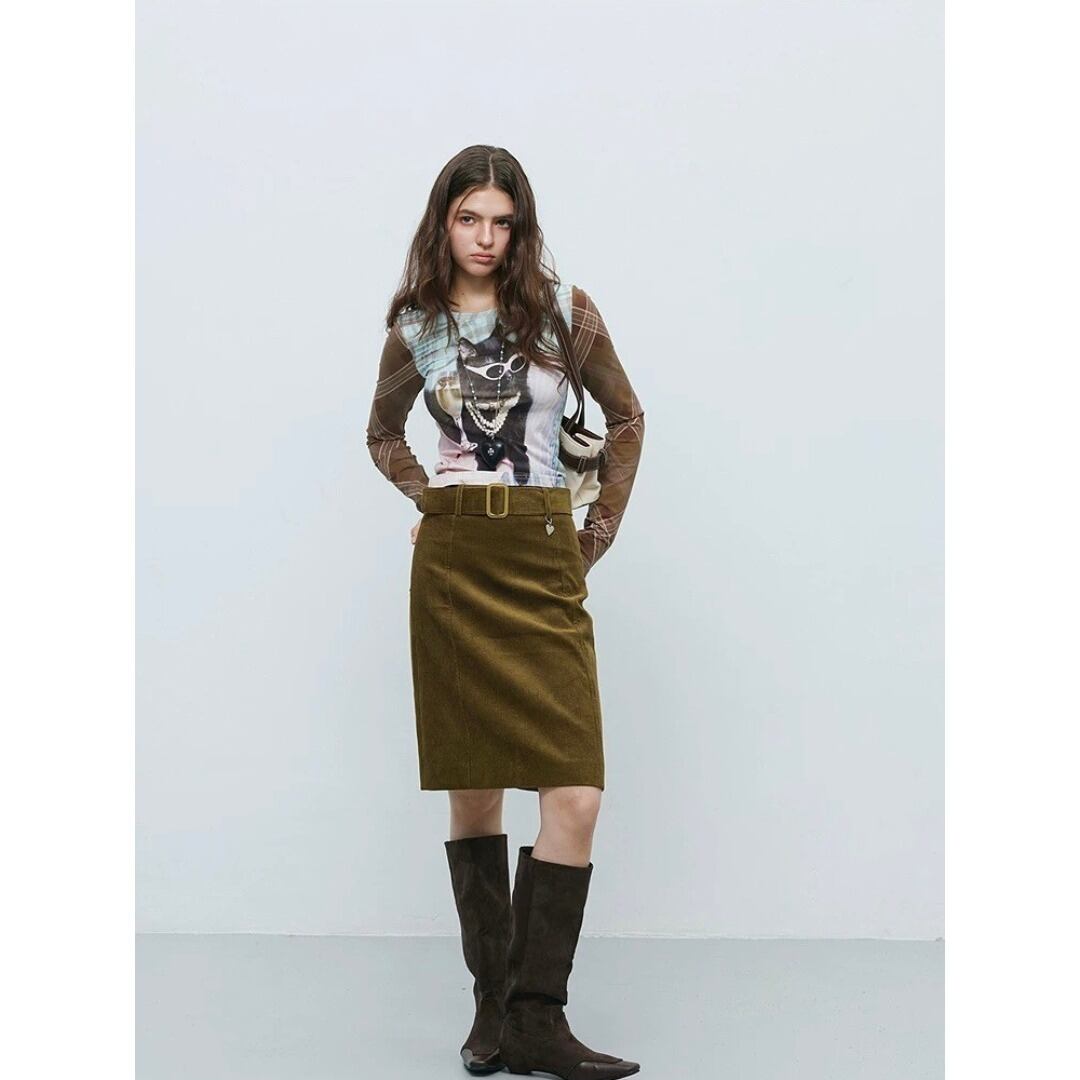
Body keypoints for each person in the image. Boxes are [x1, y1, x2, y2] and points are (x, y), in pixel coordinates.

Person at [365, 144, 645, 1080]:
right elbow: (381, 432)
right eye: (468, 219)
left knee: (576, 793)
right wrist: (431, 498)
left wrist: (591, 536)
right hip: (454, 566)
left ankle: (537, 1016)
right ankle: (493, 1007)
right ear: (442, 223)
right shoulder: (418, 323)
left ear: (520, 228)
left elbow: (628, 419)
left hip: (540, 552)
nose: (485, 238)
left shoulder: (563, 311)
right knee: (474, 788)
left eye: (501, 222)